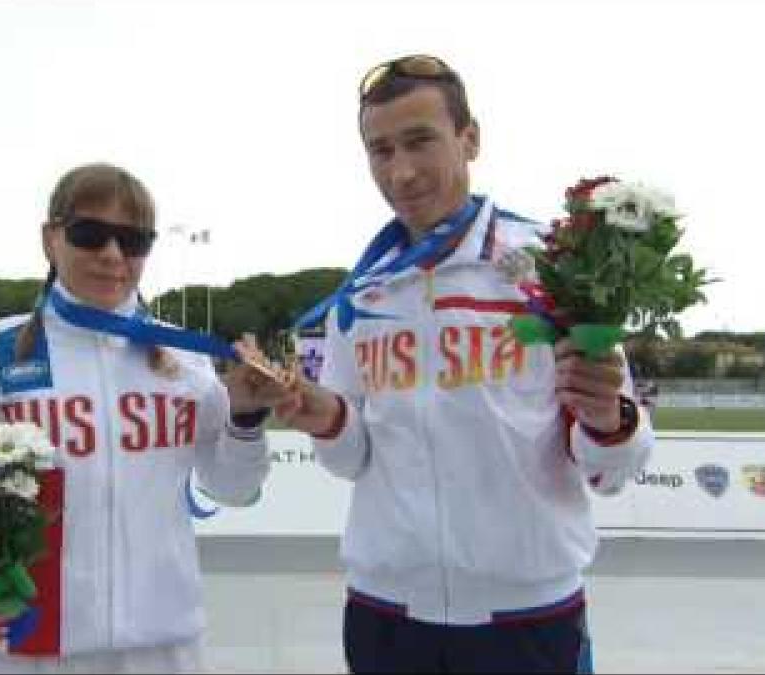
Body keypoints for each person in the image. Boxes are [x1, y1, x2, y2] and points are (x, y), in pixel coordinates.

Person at [273, 54, 655, 673]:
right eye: (381, 150)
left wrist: (610, 417)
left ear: (470, 138)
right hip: (386, 615)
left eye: (420, 141)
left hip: (527, 616)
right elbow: (351, 459)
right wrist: (324, 418)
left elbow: (614, 469)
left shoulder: (554, 267)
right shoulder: (364, 291)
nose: (401, 172)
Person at [0, 163, 285, 673]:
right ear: (50, 239)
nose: (111, 255)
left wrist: (247, 418)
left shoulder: (186, 360)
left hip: (164, 648)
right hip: (35, 648)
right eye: (90, 234)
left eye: (133, 240)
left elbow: (234, 489)